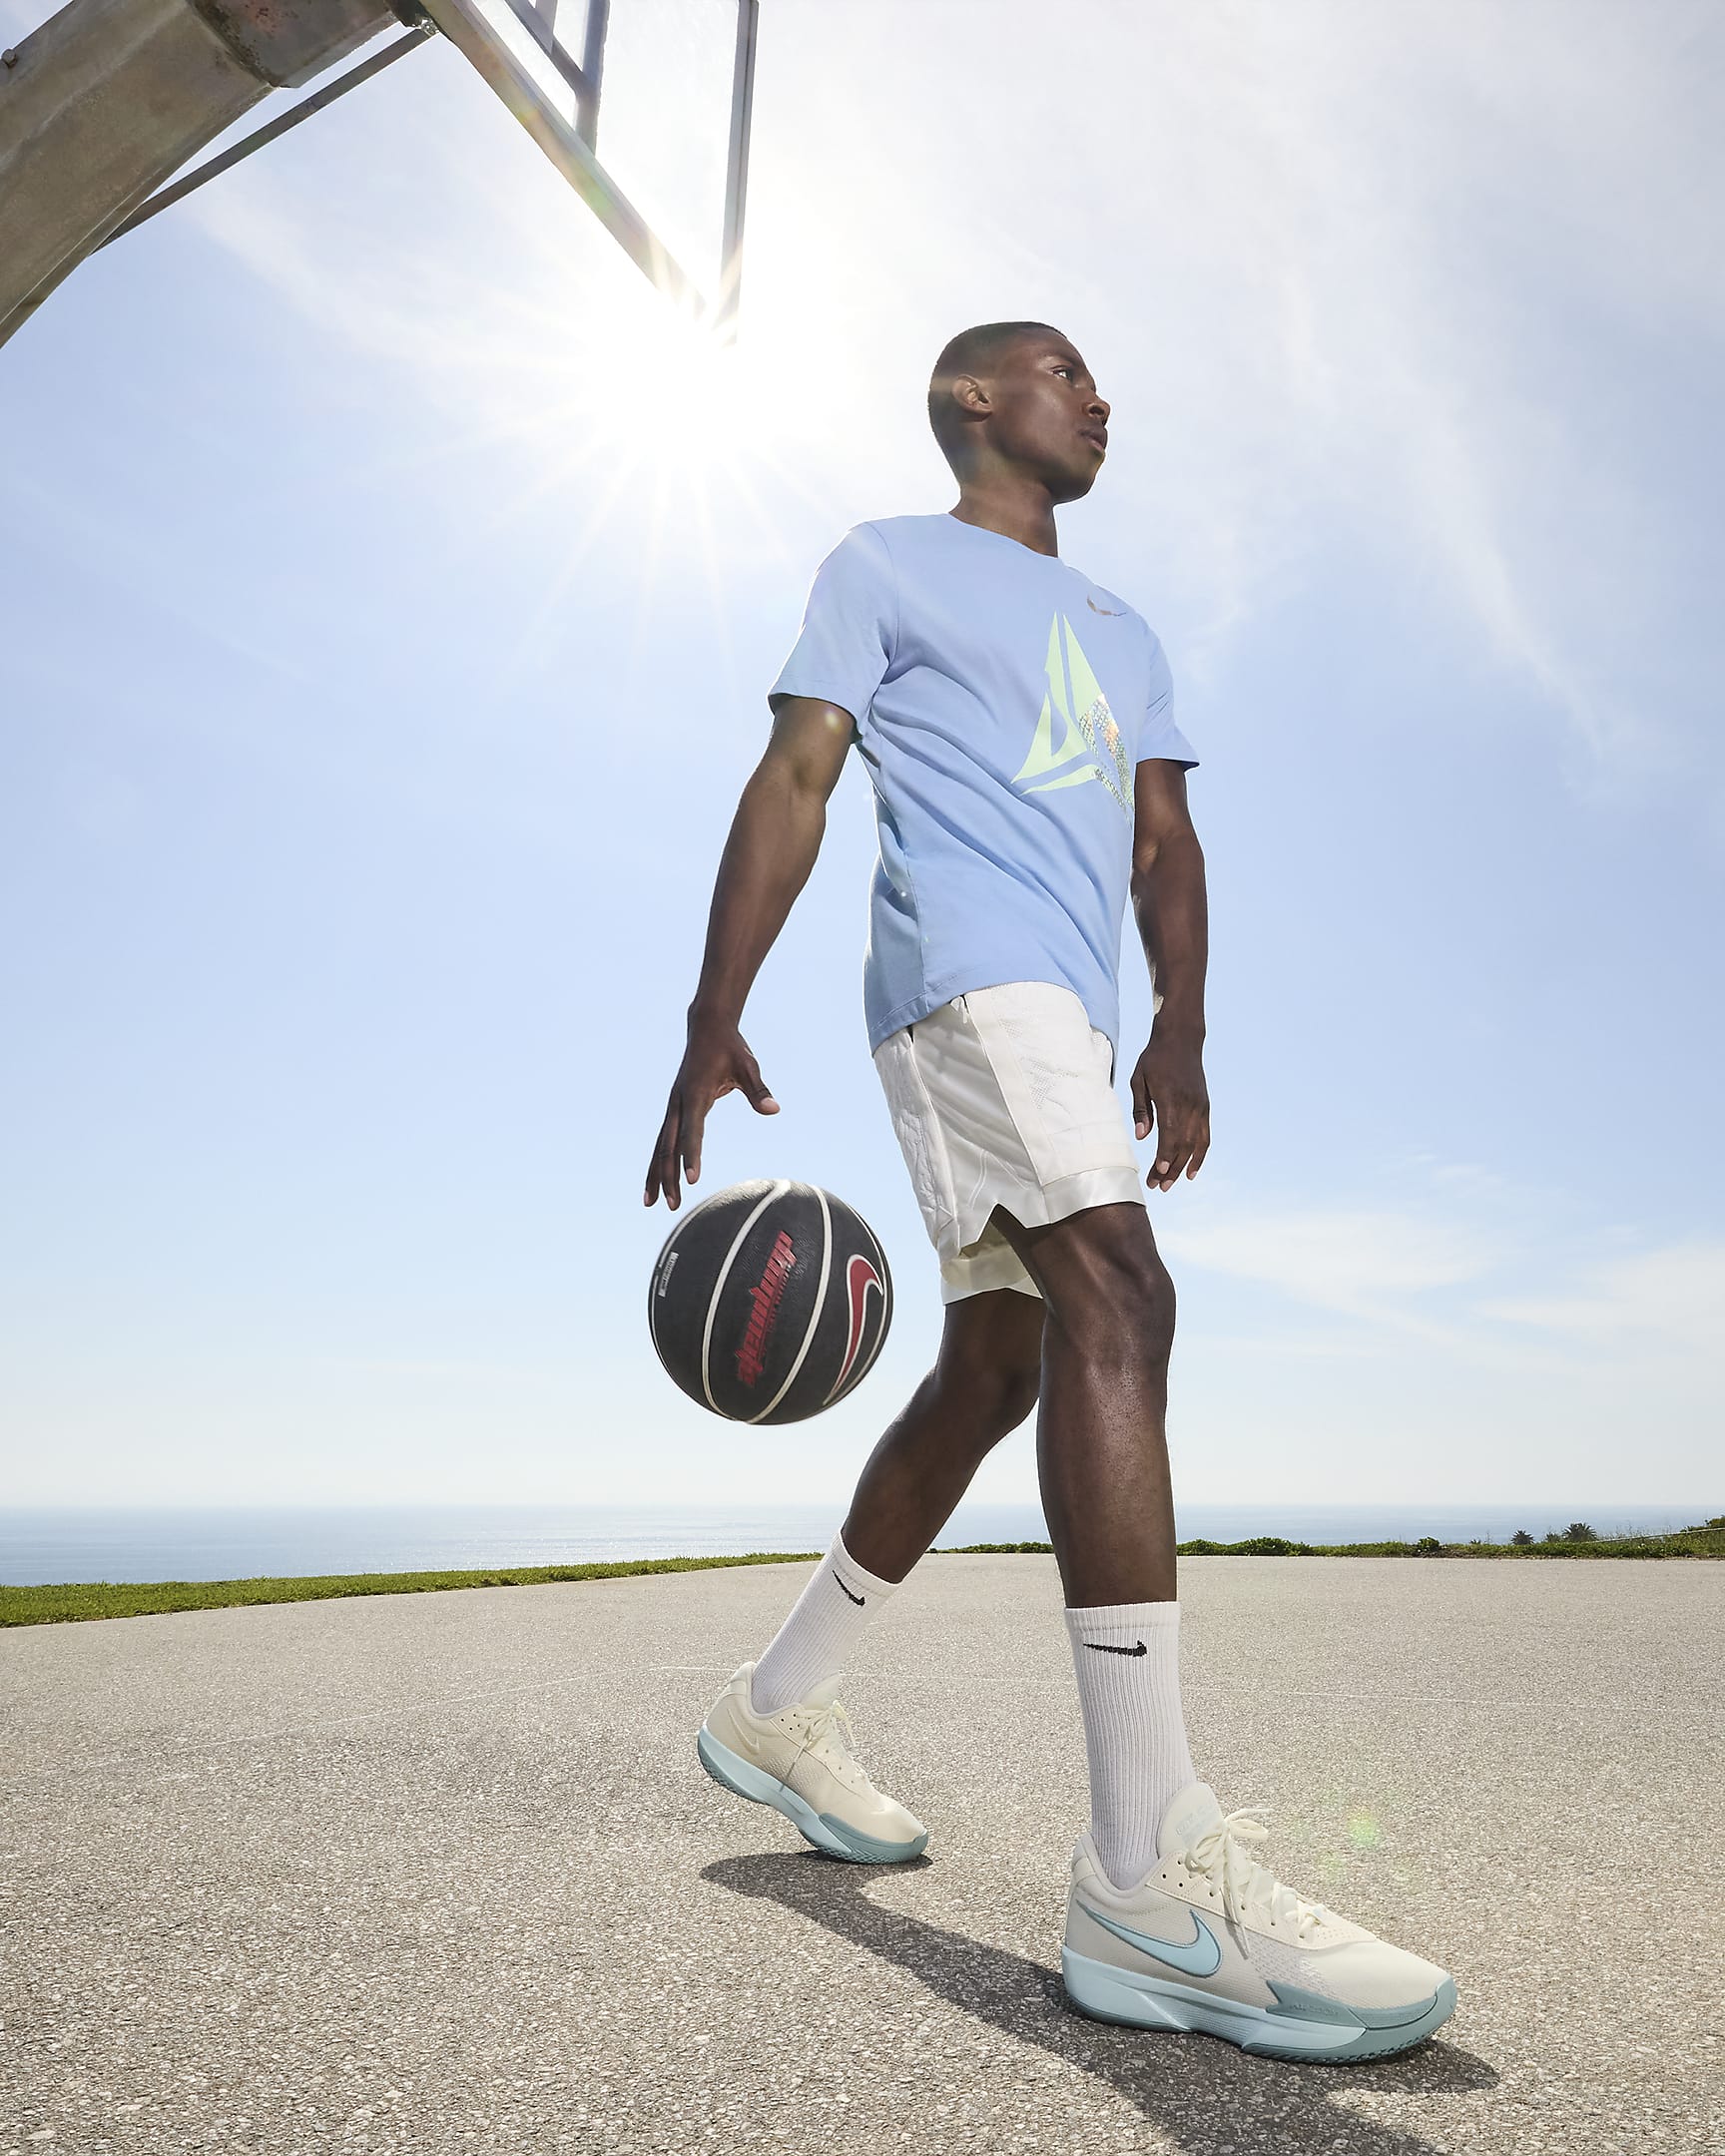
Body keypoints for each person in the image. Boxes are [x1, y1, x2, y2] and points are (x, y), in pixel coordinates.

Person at [643, 323, 1455, 2060]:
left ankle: (779, 1706)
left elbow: (1166, 840)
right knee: (1123, 1299)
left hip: (1073, 1018)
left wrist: (1186, 1027)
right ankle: (1147, 1876)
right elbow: (797, 774)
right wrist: (714, 1015)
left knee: (1004, 1366)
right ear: (973, 404)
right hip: (964, 982)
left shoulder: (1128, 632)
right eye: (1061, 370)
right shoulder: (882, 564)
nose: (1099, 397)